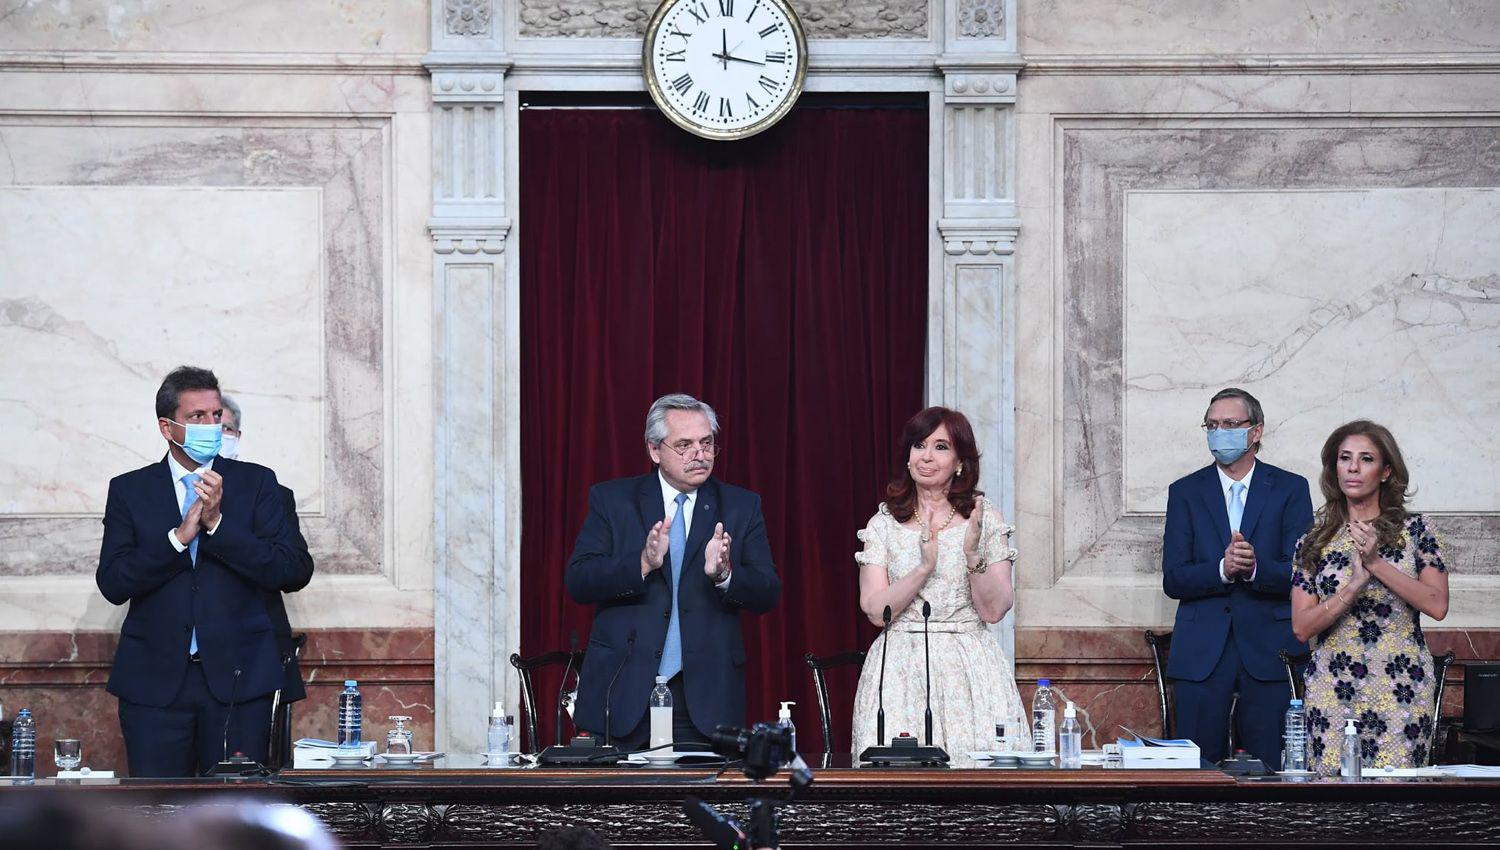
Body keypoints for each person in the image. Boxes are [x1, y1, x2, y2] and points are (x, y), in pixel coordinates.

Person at [96, 366, 314, 776]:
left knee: (236, 816)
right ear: (167, 426)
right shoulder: (130, 490)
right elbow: (113, 582)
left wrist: (217, 526)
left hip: (239, 681)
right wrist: (178, 539)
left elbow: (293, 569)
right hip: (154, 683)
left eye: (215, 416)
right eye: (197, 417)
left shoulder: (258, 484)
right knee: (159, 816)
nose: (210, 426)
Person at [565, 393, 781, 748]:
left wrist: (726, 575)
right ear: (654, 450)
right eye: (684, 445)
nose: (700, 454)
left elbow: (768, 591)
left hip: (704, 700)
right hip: (622, 694)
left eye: (707, 443)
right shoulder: (613, 500)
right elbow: (579, 581)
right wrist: (642, 564)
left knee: (696, 803)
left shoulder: (742, 506)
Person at [850, 407, 1026, 757]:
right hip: (899, 668)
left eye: (941, 447)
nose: (926, 457)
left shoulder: (984, 519)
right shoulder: (884, 524)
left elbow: (994, 610)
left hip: (969, 665)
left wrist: (973, 556)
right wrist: (923, 569)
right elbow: (873, 610)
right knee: (898, 783)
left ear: (960, 462)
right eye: (919, 446)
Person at [1161, 387, 1313, 766]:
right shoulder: (1185, 492)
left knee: (1275, 768)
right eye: (1212, 425)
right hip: (1201, 653)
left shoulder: (1290, 489)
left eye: (1230, 424)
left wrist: (1255, 567)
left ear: (1256, 431)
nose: (1219, 432)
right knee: (1196, 771)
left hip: (1270, 650)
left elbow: (1304, 573)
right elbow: (1174, 578)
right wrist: (1222, 570)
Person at [1291, 421, 1450, 774]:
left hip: (1401, 687)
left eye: (1366, 459)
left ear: (1386, 471)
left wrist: (1376, 564)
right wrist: (1351, 588)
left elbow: (1437, 604)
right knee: (1334, 806)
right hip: (1332, 687)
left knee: (1396, 807)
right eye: (1345, 458)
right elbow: (1301, 628)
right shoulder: (1314, 540)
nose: (1352, 467)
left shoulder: (1418, 530)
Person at [219, 394, 314, 709]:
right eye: (202, 424)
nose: (216, 436)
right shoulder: (167, 492)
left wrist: (224, 530)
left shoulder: (269, 492)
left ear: (238, 436)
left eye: (225, 429)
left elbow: (296, 569)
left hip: (254, 657)